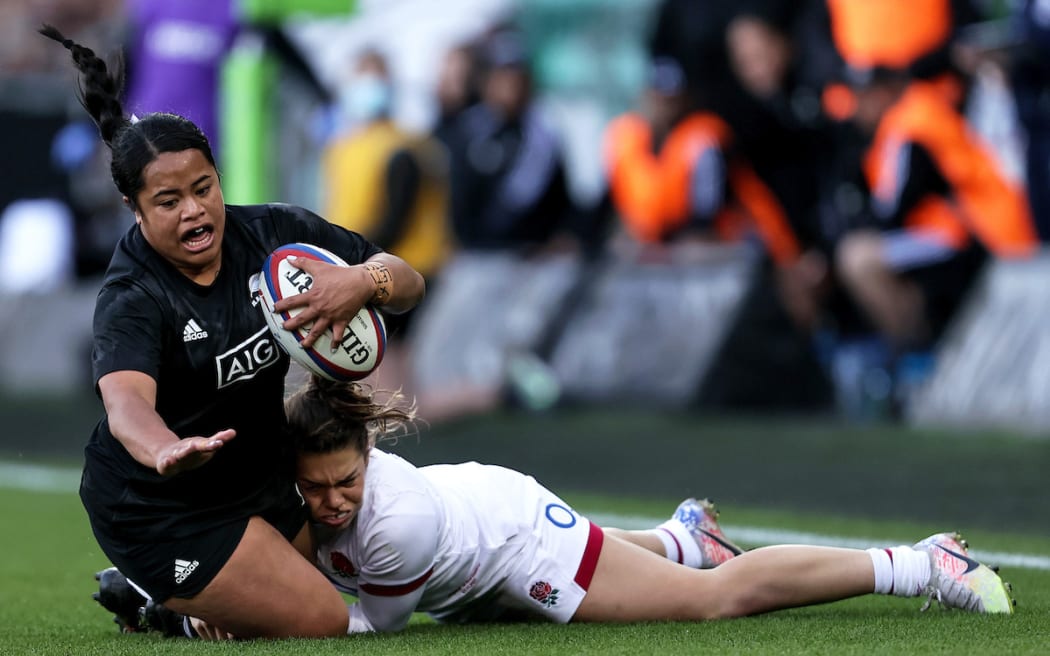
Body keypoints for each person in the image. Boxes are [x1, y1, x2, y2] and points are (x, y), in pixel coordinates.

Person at [98, 375, 1014, 639]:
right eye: (315, 488)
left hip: (512, 543)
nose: (332, 503)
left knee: (712, 604)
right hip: (476, 531)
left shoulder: (395, 519)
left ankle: (916, 562)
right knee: (661, 566)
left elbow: (355, 627)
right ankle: (680, 535)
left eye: (348, 482)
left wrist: (200, 623)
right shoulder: (298, 492)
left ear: (371, 456)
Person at [39, 25, 426, 639]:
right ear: (134, 210)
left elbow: (407, 282)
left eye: (204, 188)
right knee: (325, 619)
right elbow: (125, 405)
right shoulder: (133, 295)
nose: (194, 210)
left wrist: (362, 282)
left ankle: (183, 595)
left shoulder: (275, 233)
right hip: (160, 505)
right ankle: (163, 604)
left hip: (254, 472)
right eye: (168, 202)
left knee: (324, 582)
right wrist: (164, 448)